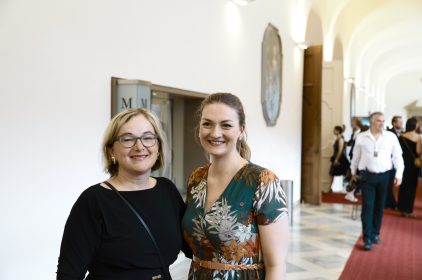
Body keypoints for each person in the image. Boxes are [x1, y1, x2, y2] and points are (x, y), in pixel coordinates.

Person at [57, 108, 191, 280]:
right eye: (127, 139)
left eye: (148, 137)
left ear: (158, 147)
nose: (140, 146)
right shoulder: (93, 200)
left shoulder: (167, 190)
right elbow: (69, 274)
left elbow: (194, 247)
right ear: (111, 151)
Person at [182, 93, 289, 279]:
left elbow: (276, 265)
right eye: (207, 124)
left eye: (226, 125)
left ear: (241, 130)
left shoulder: (263, 181)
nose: (215, 133)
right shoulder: (196, 179)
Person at [350, 112, 404, 251]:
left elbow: (398, 156)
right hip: (367, 176)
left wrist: (399, 174)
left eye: (383, 121)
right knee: (368, 206)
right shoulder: (362, 137)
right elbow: (355, 157)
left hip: (385, 176)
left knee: (379, 207)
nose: (381, 123)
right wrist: (352, 172)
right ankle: (367, 237)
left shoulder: (390, 137)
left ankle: (375, 233)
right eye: (378, 121)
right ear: (372, 122)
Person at [397, 117, 422, 217]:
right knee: (411, 186)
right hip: (412, 165)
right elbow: (418, 151)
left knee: (403, 185)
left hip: (402, 164)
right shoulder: (418, 137)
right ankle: (408, 210)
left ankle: (401, 207)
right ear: (415, 125)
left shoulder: (401, 136)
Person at [329, 125, 350, 192]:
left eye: (334, 130)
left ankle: (333, 189)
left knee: (339, 173)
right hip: (336, 157)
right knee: (332, 173)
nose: (333, 131)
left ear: (338, 131)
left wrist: (336, 159)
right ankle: (330, 189)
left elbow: (340, 150)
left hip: (340, 158)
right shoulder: (337, 138)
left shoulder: (340, 139)